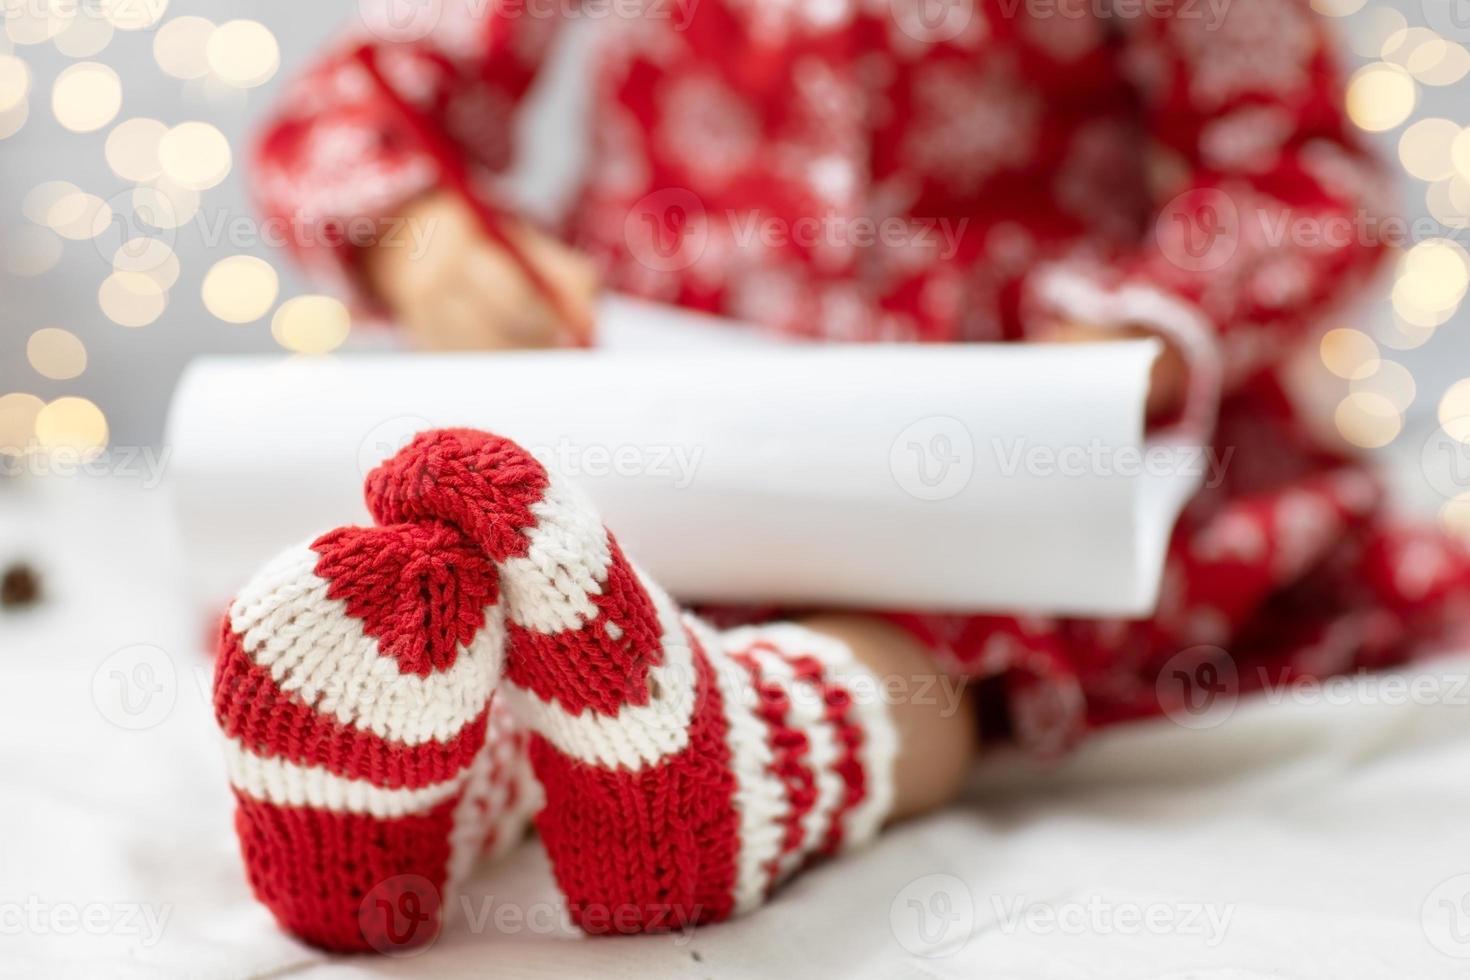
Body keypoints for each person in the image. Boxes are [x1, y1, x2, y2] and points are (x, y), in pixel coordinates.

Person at [219, 0, 1470, 952]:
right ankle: (430, 788)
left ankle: (740, 761)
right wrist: (418, 234)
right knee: (528, 556)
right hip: (681, 412)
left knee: (964, 625)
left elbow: (1305, 182)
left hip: (1009, 430)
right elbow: (358, 102)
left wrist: (1148, 326)